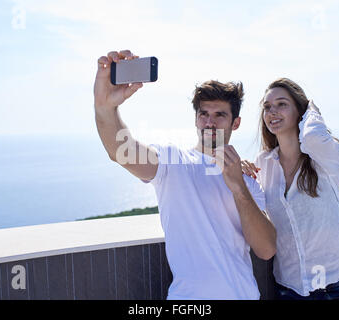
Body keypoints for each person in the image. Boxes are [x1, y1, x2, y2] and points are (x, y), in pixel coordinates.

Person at [93, 49, 276, 299]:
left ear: (236, 123)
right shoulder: (174, 162)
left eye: (219, 115)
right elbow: (121, 152)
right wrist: (105, 108)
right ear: (196, 119)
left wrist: (238, 187)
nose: (209, 122)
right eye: (203, 114)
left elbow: (266, 249)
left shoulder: (248, 181)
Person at [241, 78, 339, 300]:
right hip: (291, 289)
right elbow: (257, 210)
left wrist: (311, 107)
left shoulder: (323, 155)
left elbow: (312, 136)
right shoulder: (265, 162)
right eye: (267, 107)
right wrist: (241, 173)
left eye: (282, 104)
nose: (272, 112)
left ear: (300, 111)